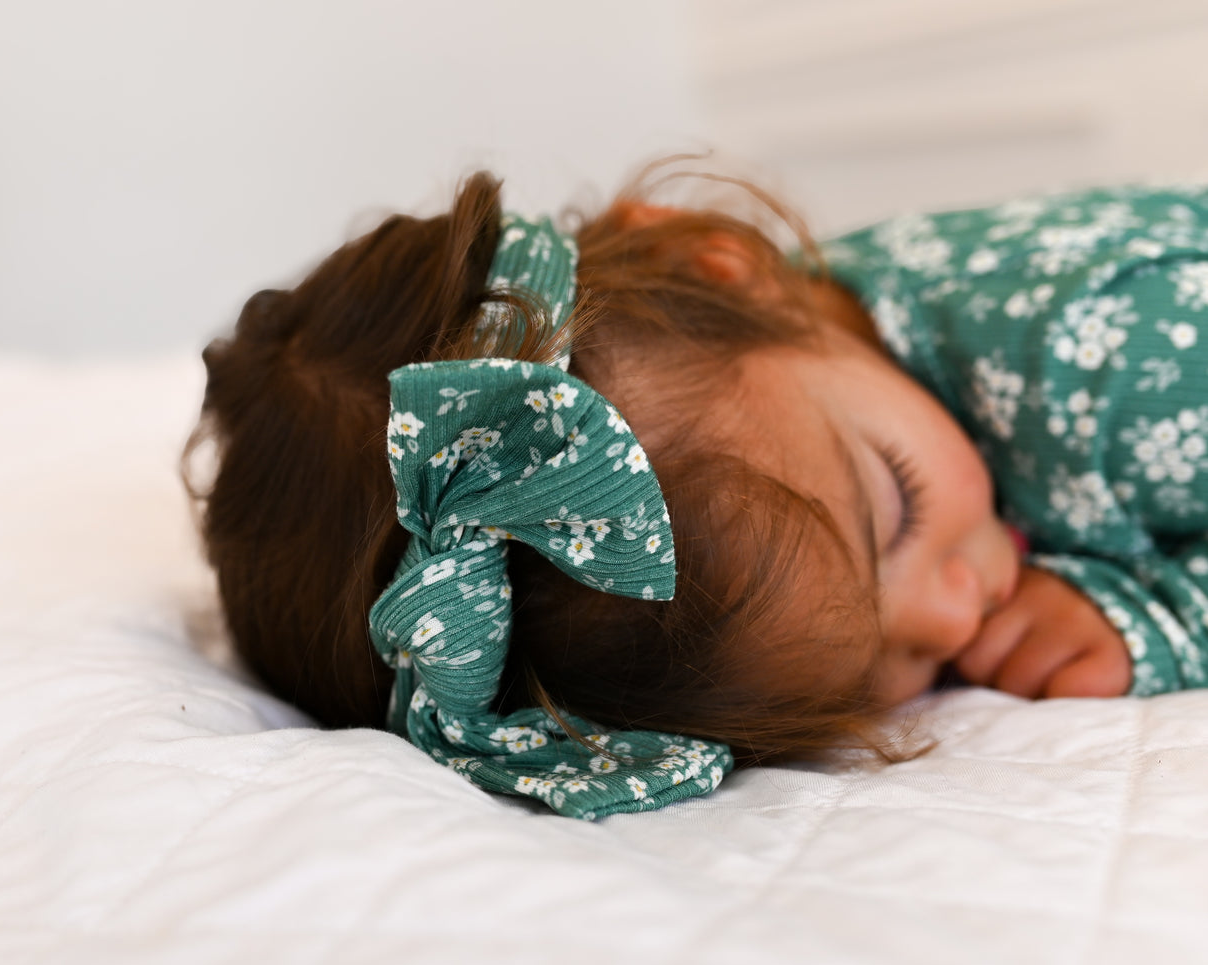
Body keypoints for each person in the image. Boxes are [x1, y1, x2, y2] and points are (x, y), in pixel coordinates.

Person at [186, 170, 1208, 818]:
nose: (952, 613)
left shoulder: (1115, 359)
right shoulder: (809, 381)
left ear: (723, 263)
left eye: (895, 503)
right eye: (860, 676)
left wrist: (1163, 612)